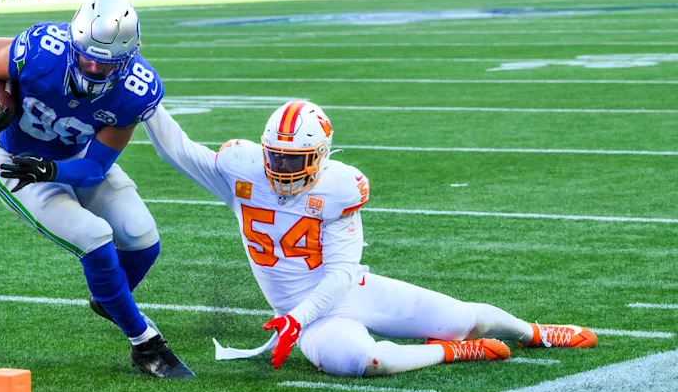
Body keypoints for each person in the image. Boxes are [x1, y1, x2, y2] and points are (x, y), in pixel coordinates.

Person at [142, 102, 598, 377]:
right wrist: (145, 101)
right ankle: (451, 353)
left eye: (293, 160)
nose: (281, 171)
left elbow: (341, 273)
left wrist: (296, 318)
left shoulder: (339, 188)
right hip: (306, 319)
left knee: (464, 316)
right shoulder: (241, 173)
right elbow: (177, 150)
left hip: (342, 296)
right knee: (363, 363)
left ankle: (534, 332)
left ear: (320, 156)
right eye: (275, 158)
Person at [0, 0, 193, 379]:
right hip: (16, 166)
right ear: (73, 42)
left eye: (106, 63)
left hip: (74, 160)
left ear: (128, 60)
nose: (94, 68)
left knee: (142, 237)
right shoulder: (42, 50)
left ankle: (108, 298)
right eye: (87, 57)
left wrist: (51, 169)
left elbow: (94, 168)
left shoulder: (136, 89)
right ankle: (145, 344)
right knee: (95, 237)